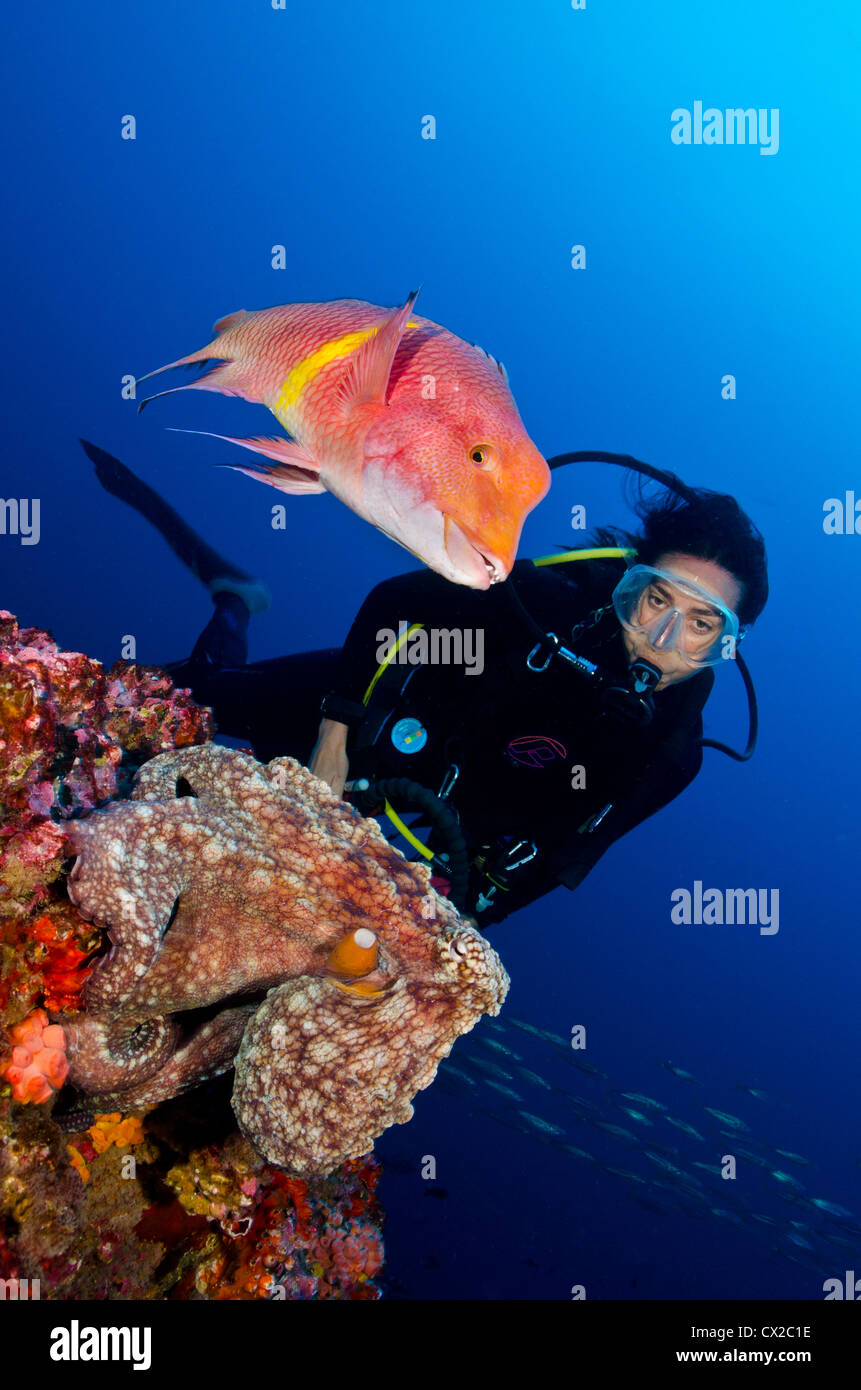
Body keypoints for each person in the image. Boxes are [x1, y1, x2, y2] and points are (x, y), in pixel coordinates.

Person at [82, 441, 768, 926]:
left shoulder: (670, 754)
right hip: (367, 713)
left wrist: (451, 925)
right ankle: (232, 602)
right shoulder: (549, 603)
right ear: (628, 587)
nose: (661, 639)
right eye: (655, 603)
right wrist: (332, 741)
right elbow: (393, 604)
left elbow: (559, 860)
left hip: (417, 829)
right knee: (179, 700)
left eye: (701, 624)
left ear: (725, 645)